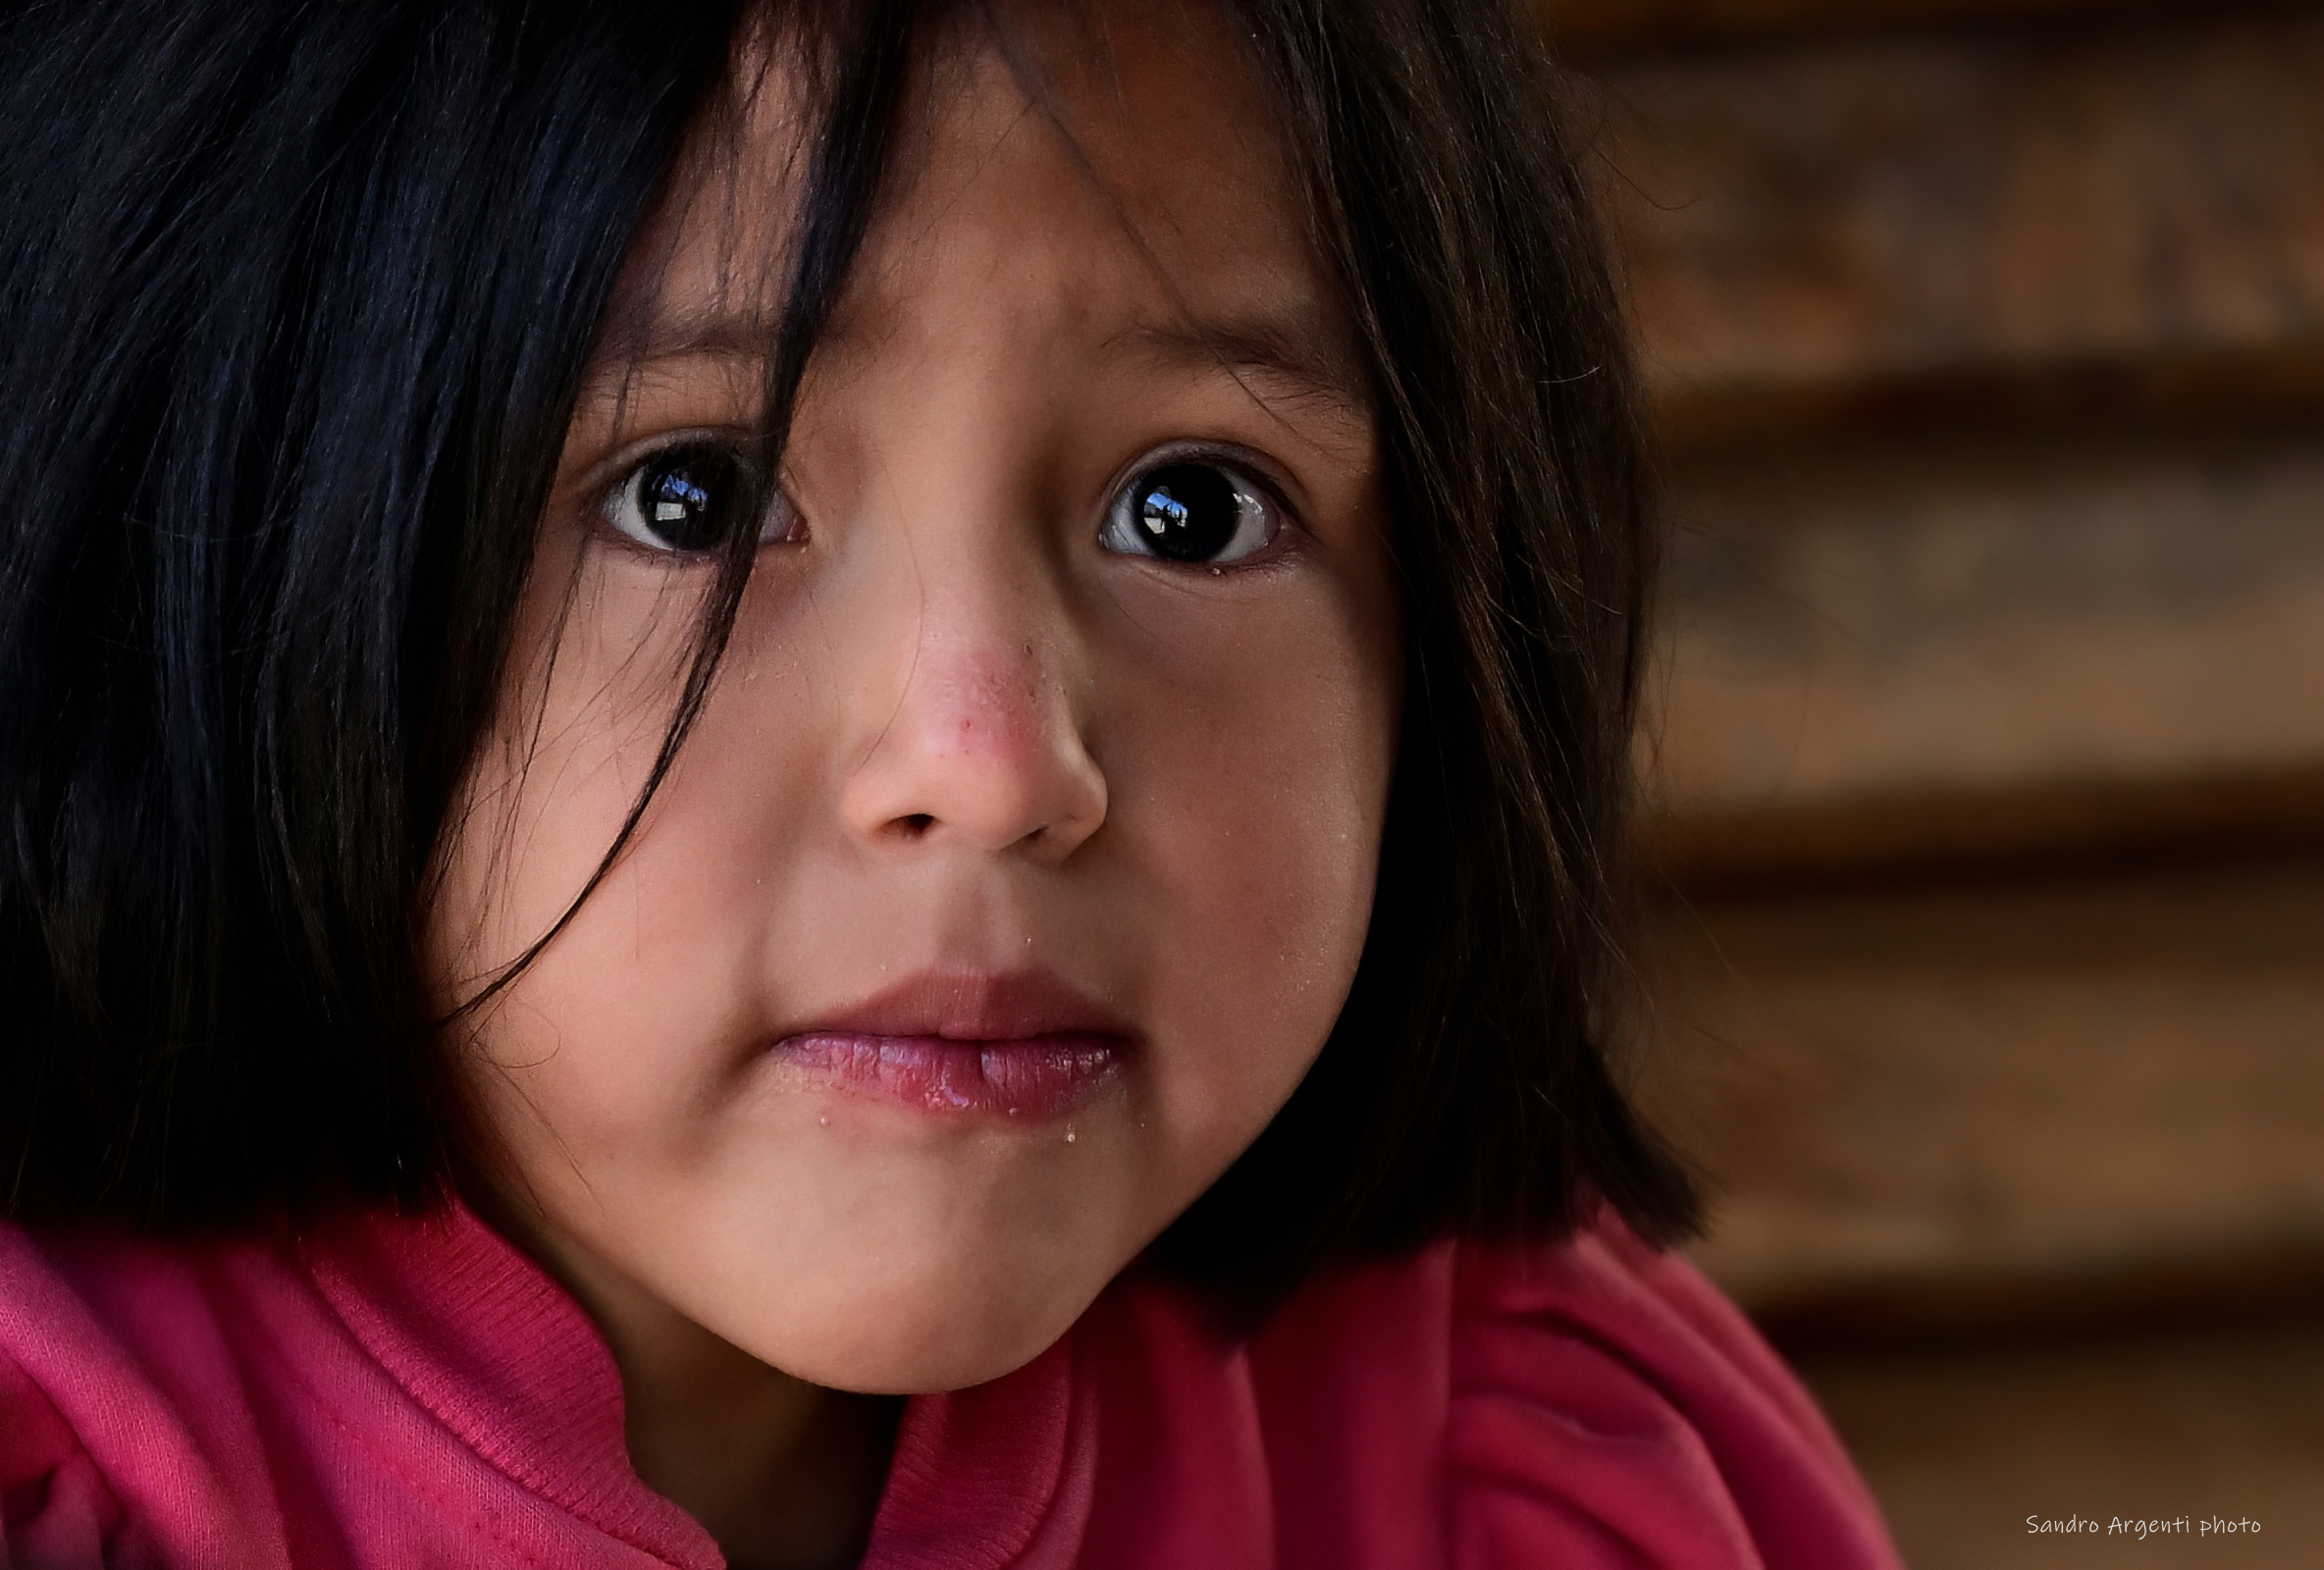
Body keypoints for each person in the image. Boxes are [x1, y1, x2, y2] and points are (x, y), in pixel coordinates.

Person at [0, 0, 1902, 1565]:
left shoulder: (1500, 1457)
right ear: (213, 547)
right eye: (696, 496)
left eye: (1191, 506)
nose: (994, 768)